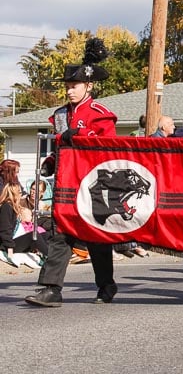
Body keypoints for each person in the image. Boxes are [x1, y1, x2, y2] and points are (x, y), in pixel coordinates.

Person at [25, 38, 120, 307]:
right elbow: (59, 142)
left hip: (93, 185)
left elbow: (108, 148)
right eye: (66, 87)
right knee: (60, 235)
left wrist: (81, 135)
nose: (69, 92)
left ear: (88, 86)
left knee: (97, 237)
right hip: (66, 185)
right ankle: (50, 288)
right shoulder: (59, 115)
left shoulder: (100, 114)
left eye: (73, 86)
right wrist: (52, 160)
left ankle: (106, 284)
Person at [1, 181, 47, 268]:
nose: (21, 195)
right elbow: (5, 230)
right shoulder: (6, 207)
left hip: (14, 239)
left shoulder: (12, 206)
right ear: (13, 193)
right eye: (19, 192)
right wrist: (10, 250)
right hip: (6, 245)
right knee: (34, 235)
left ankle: (46, 254)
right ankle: (50, 258)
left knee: (44, 234)